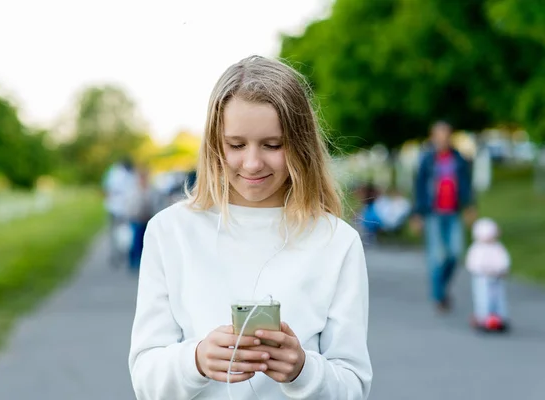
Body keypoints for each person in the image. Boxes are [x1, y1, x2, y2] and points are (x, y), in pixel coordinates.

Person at [128, 56, 372, 400]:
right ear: (215, 144)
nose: (253, 163)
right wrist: (195, 360)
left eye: (273, 145)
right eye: (237, 145)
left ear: (300, 145)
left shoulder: (336, 241)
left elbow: (353, 386)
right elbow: (145, 378)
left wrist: (303, 370)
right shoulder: (170, 232)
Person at [410, 120, 476, 312]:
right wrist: (417, 214)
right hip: (434, 213)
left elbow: (466, 184)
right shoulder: (427, 160)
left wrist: (470, 205)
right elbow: (420, 188)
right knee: (437, 256)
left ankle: (442, 287)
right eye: (439, 135)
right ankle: (439, 295)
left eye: (446, 135)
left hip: (453, 212)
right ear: (433, 137)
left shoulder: (459, 159)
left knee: (455, 254)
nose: (442, 139)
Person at [465, 217, 511, 332]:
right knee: (483, 298)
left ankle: (500, 317)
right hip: (482, 278)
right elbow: (472, 263)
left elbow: (503, 260)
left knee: (498, 298)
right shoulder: (477, 248)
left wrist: (503, 269)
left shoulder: (497, 247)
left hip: (497, 277)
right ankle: (483, 318)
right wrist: (481, 270)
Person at [102, 157, 136, 268]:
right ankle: (122, 254)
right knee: (124, 232)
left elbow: (106, 189)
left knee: (115, 233)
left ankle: (116, 254)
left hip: (115, 207)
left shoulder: (112, 173)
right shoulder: (127, 175)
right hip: (121, 207)